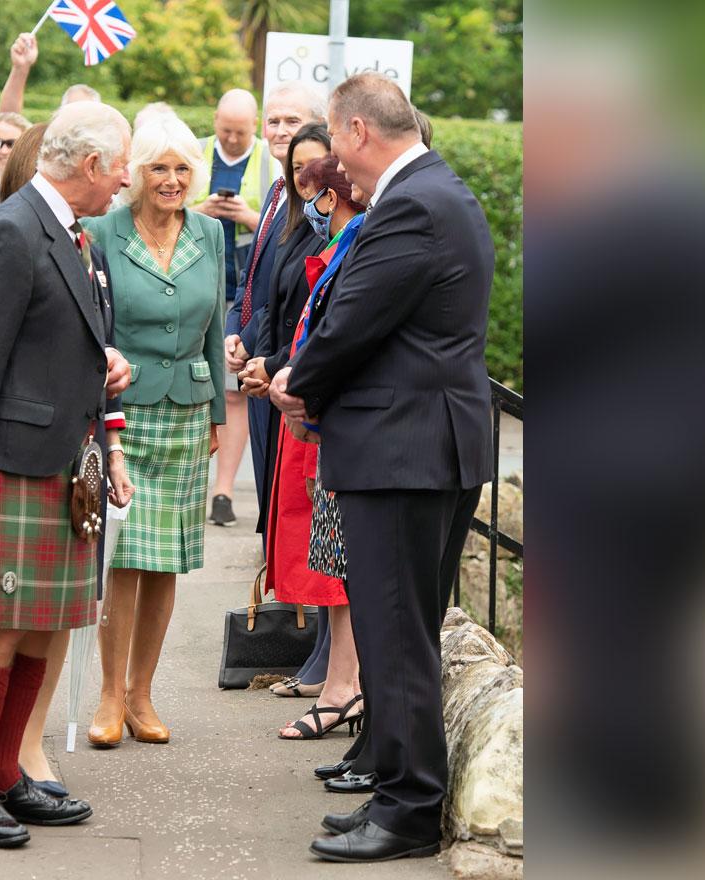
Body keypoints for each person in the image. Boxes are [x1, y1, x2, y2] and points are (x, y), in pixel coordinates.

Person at [270, 73, 494, 862]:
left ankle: (406, 809)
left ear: (358, 132)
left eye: (334, 140)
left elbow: (353, 321)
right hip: (419, 445)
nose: (334, 158)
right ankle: (396, 783)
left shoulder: (414, 204)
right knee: (399, 632)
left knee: (395, 635)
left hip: (406, 450)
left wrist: (299, 384)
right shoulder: (434, 192)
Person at [0, 101, 135, 849]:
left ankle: (8, 774)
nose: (125, 183)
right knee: (1, 627)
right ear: (88, 167)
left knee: (43, 627)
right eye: (120, 169)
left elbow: (49, 342)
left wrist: (98, 369)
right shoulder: (14, 231)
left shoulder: (73, 233)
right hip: (10, 465)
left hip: (60, 461)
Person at [81, 117, 226, 748]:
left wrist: (218, 410)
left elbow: (216, 326)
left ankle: (143, 694)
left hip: (188, 411)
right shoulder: (102, 232)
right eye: (159, 168)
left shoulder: (211, 232)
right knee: (123, 555)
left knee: (165, 561)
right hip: (124, 410)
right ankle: (109, 695)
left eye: (183, 169)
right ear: (136, 171)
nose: (171, 180)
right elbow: (89, 325)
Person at [258, 154, 367, 742]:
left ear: (332, 197)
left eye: (317, 195)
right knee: (335, 561)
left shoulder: (357, 244)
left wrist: (296, 379)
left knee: (344, 567)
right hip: (327, 420)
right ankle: (339, 685)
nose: (313, 210)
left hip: (344, 426)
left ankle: (342, 689)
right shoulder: (343, 243)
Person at [222, 83, 326, 521]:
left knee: (285, 508)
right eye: (274, 120)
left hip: (278, 362)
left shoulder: (315, 201)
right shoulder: (276, 191)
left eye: (293, 121)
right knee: (269, 500)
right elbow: (251, 281)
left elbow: (293, 295)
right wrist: (232, 331)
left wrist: (250, 341)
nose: (281, 130)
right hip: (256, 360)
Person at [193, 88, 277, 526]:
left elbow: (279, 223)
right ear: (214, 120)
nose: (230, 139)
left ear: (255, 126)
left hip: (242, 290)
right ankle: (194, 484)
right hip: (197, 284)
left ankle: (222, 491)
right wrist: (201, 210)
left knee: (232, 390)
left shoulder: (270, 161)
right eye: (224, 130)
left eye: (240, 132)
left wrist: (246, 215)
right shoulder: (196, 151)